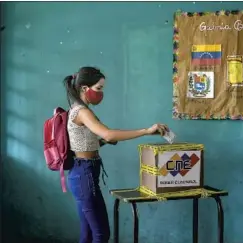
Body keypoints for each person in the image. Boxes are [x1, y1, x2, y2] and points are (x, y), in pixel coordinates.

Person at [63, 66, 169, 243]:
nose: (101, 93)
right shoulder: (82, 111)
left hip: (82, 172)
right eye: (98, 88)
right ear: (84, 88)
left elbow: (88, 142)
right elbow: (108, 133)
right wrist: (145, 131)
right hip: (84, 174)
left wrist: (104, 141)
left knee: (89, 234)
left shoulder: (77, 109)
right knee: (100, 234)